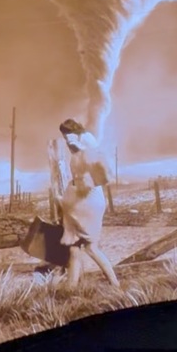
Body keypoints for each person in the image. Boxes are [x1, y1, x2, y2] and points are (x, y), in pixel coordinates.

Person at [58, 119, 120, 288]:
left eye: (67, 135)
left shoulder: (86, 150)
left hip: (87, 202)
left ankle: (116, 285)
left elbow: (97, 176)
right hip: (81, 203)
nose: (66, 140)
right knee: (74, 248)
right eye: (64, 137)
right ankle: (71, 289)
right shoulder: (78, 152)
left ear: (76, 134)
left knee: (91, 247)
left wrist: (81, 148)